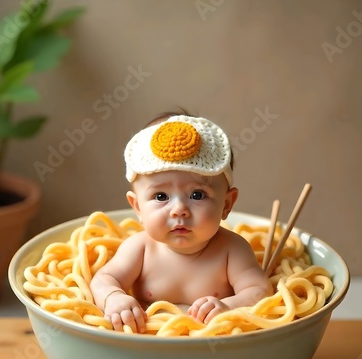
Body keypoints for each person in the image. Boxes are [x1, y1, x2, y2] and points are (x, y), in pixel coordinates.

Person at [90, 112, 273, 333]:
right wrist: (114, 298)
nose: (179, 210)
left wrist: (228, 306)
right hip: (145, 345)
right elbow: (103, 279)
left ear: (226, 205)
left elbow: (261, 292)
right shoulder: (139, 248)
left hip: (211, 345)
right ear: (137, 207)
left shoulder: (232, 250)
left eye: (197, 195)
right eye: (161, 197)